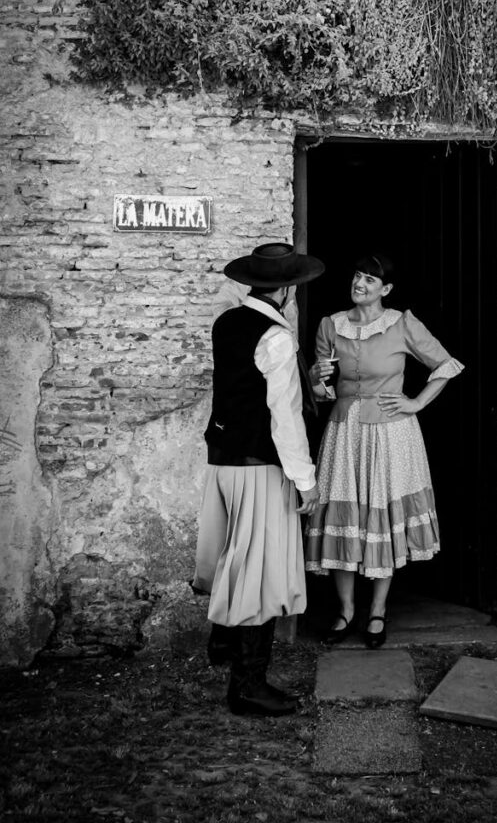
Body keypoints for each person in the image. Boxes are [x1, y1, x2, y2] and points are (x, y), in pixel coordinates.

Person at [304, 253, 464, 649]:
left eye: (370, 280)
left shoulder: (402, 324)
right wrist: (315, 379)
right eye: (357, 276)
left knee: (379, 518)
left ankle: (377, 610)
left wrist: (417, 403)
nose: (359, 283)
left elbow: (446, 365)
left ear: (385, 289)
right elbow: (321, 396)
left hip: (391, 434)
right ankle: (345, 610)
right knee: (346, 515)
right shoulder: (331, 325)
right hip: (344, 433)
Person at [192, 242, 324, 716]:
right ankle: (246, 686)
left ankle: (223, 645)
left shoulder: (227, 322)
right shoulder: (276, 336)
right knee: (260, 571)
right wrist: (305, 480)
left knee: (234, 556)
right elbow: (283, 417)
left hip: (224, 461)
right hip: (258, 466)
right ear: (287, 289)